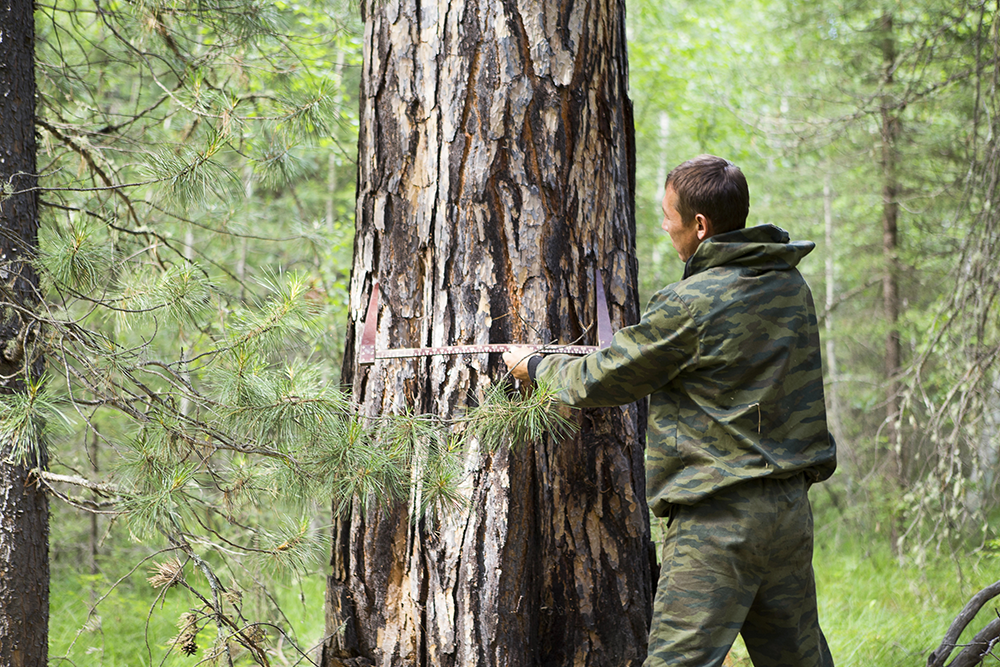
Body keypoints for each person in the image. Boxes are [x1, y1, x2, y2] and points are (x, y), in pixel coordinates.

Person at [503, 155, 836, 667]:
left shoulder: (690, 303)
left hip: (717, 520)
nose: (664, 226)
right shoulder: (791, 286)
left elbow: (606, 377)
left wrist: (537, 366)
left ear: (699, 225)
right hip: (789, 513)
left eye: (668, 215)